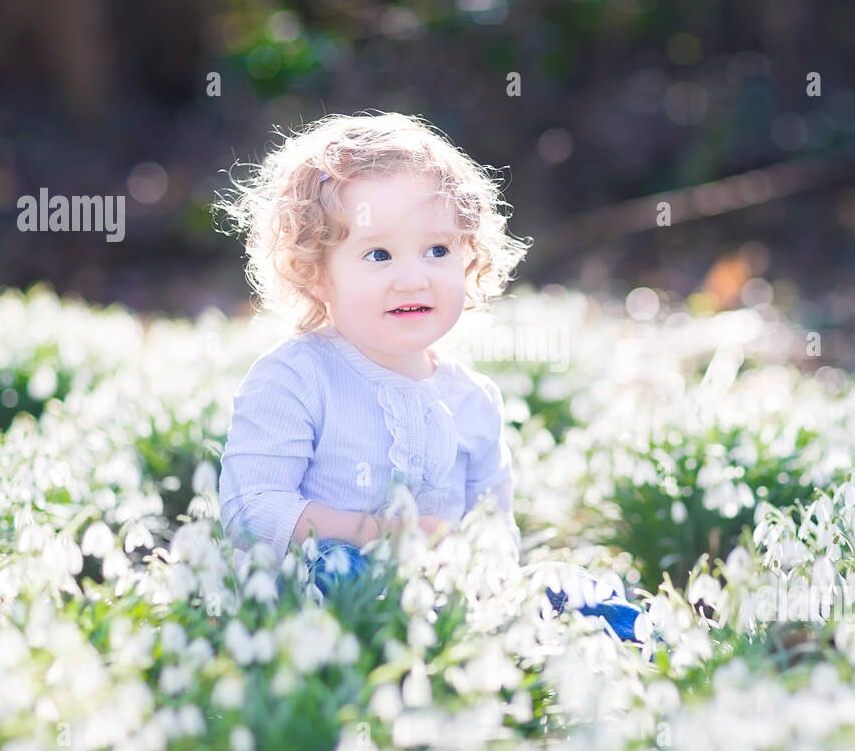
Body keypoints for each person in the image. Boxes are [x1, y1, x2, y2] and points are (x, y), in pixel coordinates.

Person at [215, 111, 653, 645]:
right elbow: (250, 510)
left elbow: (495, 531)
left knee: (575, 592)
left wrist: (484, 572)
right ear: (315, 273)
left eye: (438, 250)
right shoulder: (295, 378)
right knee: (337, 571)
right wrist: (383, 535)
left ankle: (639, 649)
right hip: (316, 602)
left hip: (443, 598)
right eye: (378, 254)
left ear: (470, 257)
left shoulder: (472, 399)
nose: (414, 277)